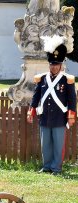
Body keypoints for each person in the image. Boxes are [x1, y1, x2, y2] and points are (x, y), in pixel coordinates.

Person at [27, 36, 76, 175]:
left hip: (59, 117)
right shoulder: (42, 79)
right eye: (52, 64)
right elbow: (36, 96)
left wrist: (71, 116)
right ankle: (47, 166)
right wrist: (31, 111)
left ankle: (56, 168)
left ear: (61, 65)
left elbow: (72, 100)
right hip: (45, 116)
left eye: (56, 64)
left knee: (58, 145)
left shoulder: (67, 80)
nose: (54, 67)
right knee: (45, 145)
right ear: (49, 64)